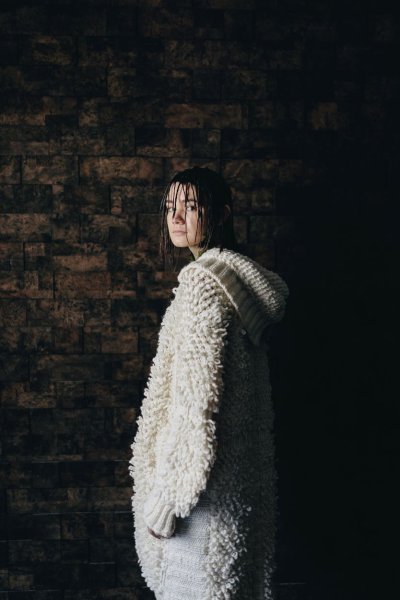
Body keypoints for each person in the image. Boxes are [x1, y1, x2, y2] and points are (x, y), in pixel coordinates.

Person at [128, 166, 289, 599]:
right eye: (170, 207)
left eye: (192, 206)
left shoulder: (202, 286)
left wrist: (168, 501)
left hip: (200, 502)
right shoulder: (238, 287)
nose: (176, 217)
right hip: (238, 488)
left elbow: (195, 405)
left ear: (221, 214)